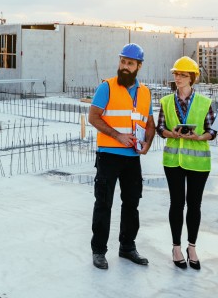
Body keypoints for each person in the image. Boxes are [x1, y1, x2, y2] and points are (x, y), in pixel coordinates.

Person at [87, 43, 156, 270]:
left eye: (130, 63)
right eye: (122, 61)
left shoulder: (145, 92)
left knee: (132, 203)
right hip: (108, 155)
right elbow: (94, 117)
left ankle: (127, 247)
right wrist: (117, 135)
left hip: (132, 158)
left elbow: (149, 124)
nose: (124, 67)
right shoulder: (106, 87)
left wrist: (147, 143)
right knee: (104, 203)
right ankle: (99, 251)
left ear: (138, 66)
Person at [156, 56, 216, 270]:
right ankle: (176, 247)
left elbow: (212, 131)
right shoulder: (165, 102)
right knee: (176, 204)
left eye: (183, 75)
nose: (178, 78)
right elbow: (160, 129)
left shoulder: (204, 103)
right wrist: (169, 133)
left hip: (198, 164)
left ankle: (192, 246)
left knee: (194, 205)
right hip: (173, 161)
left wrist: (198, 137)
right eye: (176, 74)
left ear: (192, 78)